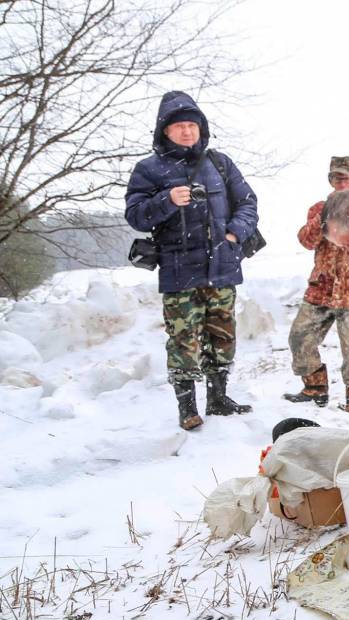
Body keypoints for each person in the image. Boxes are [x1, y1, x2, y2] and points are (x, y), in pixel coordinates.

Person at [125, 91, 258, 430]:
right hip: (179, 271)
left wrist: (233, 235)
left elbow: (247, 204)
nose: (187, 131)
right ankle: (187, 408)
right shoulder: (149, 169)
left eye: (192, 125)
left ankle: (218, 398)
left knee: (222, 335)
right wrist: (166, 200)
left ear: (202, 128)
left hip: (223, 267)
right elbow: (136, 216)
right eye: (179, 126)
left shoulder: (220, 163)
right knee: (183, 339)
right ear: (164, 131)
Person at [282, 156, 349, 412]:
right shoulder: (319, 207)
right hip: (321, 288)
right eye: (336, 177)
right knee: (299, 336)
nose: (340, 181)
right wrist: (324, 215)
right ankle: (314, 387)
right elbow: (306, 240)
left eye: (345, 177)